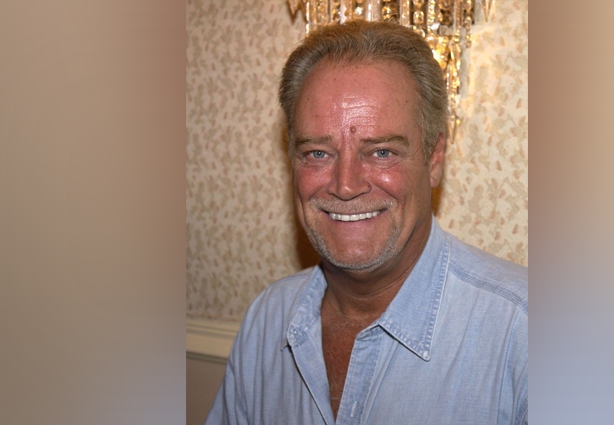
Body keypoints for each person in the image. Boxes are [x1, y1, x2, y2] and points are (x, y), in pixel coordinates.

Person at [206, 20, 527, 425]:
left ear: (434, 159)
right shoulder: (268, 319)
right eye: (318, 153)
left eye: (381, 152)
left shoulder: (524, 334)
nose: (345, 185)